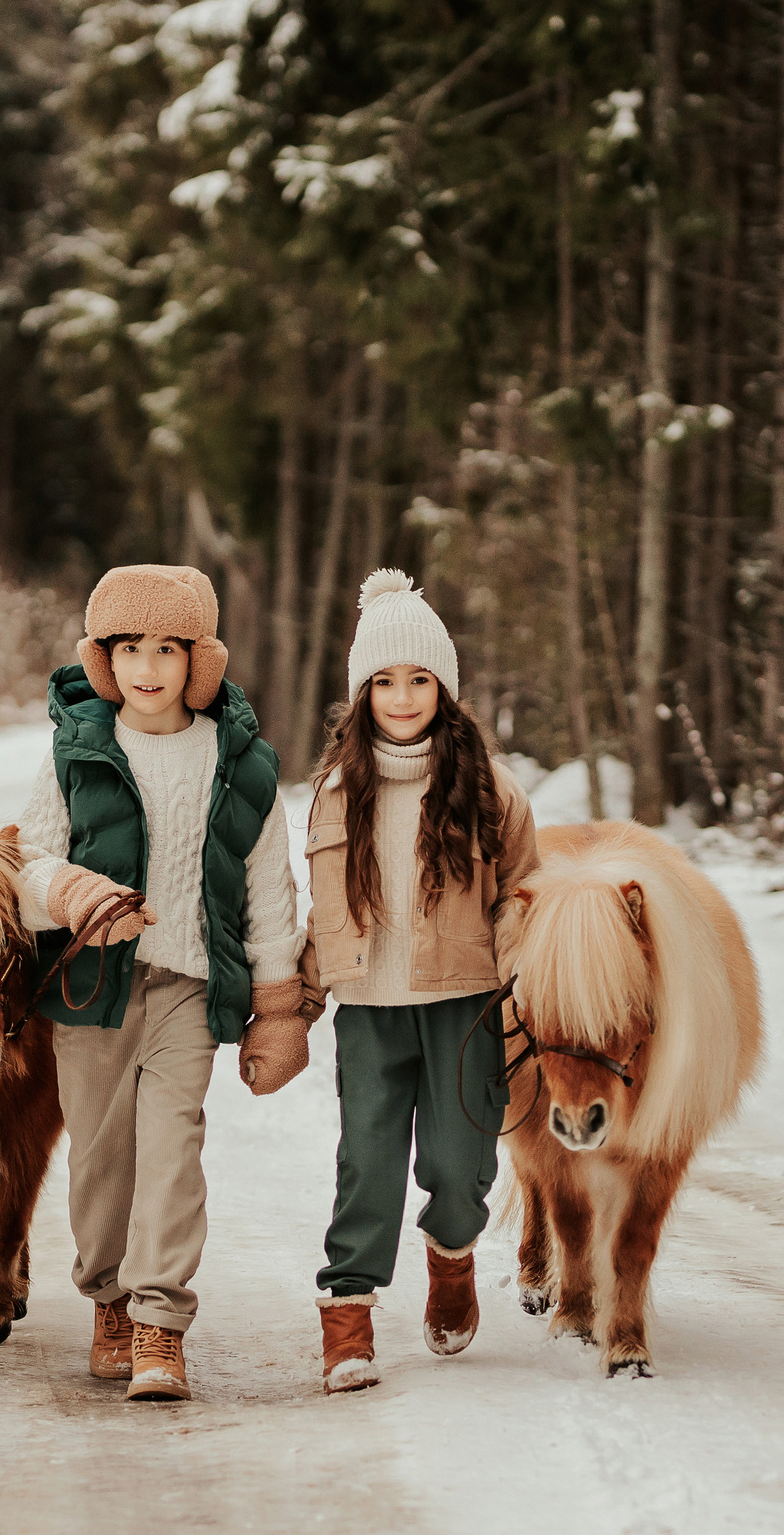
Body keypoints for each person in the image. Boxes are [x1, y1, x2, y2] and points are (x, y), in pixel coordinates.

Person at [13, 564, 314, 1403]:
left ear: (199, 660)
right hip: (92, 988)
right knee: (102, 1160)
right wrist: (71, 891)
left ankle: (158, 1320)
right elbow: (29, 861)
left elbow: (267, 890)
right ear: (103, 657)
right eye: (129, 647)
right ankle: (108, 1295)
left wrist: (279, 1006)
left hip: (187, 987)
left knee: (174, 1149)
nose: (148, 666)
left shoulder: (239, 762)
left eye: (167, 648)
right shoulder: (79, 749)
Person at [289, 568, 538, 1393]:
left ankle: (453, 1251)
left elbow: (523, 895)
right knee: (367, 1163)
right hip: (368, 1009)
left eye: (419, 679)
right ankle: (348, 1314)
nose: (402, 696)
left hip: (463, 1005)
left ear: (445, 688)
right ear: (363, 691)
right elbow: (320, 916)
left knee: (462, 1167)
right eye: (385, 681)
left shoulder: (493, 793)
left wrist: (521, 960)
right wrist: (292, 1004)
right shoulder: (331, 793)